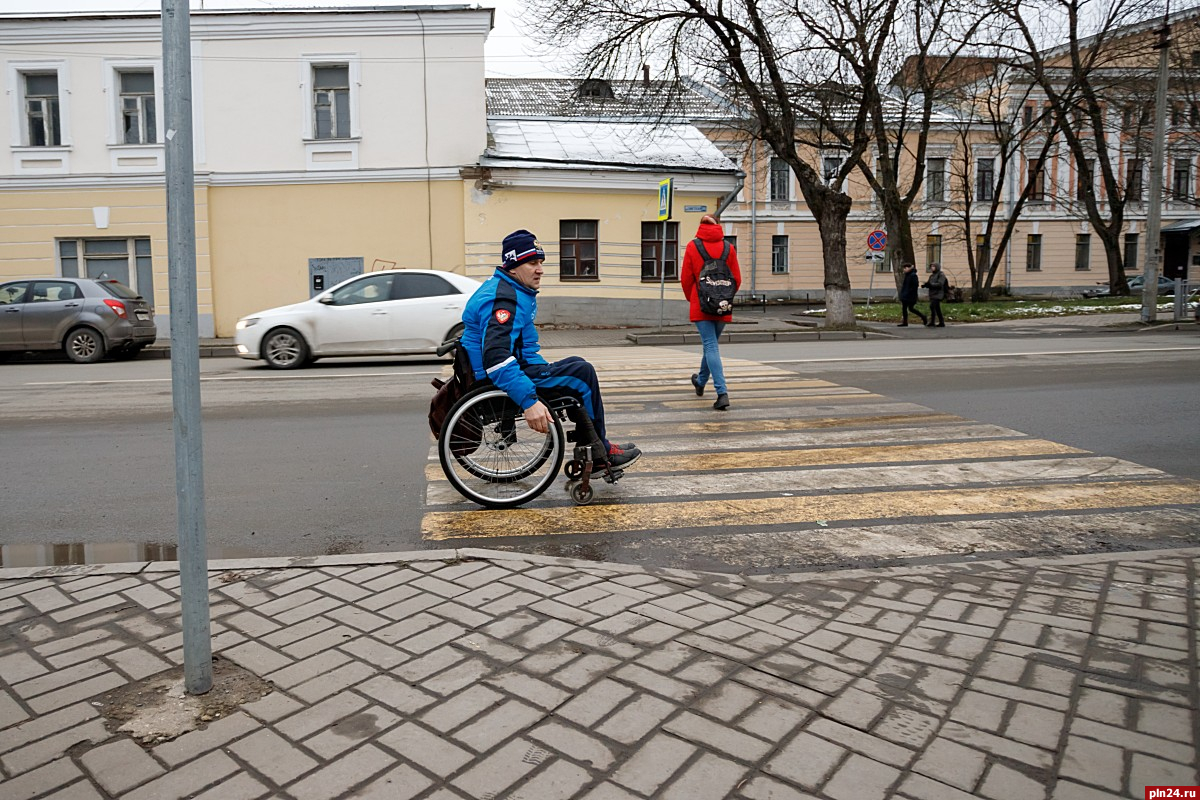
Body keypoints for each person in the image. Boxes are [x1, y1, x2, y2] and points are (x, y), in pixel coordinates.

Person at [459, 229, 641, 468]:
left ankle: (593, 443)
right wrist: (528, 400)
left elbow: (521, 347)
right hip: (496, 380)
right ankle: (600, 454)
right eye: (532, 262)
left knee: (576, 365)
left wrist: (546, 369)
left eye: (541, 262)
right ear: (513, 266)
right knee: (582, 375)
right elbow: (495, 358)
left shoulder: (511, 290)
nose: (540, 269)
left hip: (511, 369)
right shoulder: (505, 300)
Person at [680, 215, 741, 410]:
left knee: (711, 346)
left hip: (701, 304)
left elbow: (686, 278)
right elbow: (736, 279)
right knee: (710, 345)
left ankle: (722, 392)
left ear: (701, 226)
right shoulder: (728, 248)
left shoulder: (692, 246)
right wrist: (723, 297)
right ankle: (700, 381)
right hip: (723, 305)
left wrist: (694, 299)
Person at [898, 263, 927, 327]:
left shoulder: (913, 275)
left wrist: (909, 293)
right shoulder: (907, 275)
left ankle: (923, 316)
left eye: (905, 268)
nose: (904, 270)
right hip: (906, 294)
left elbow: (915, 286)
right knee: (904, 309)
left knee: (911, 308)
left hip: (911, 295)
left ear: (908, 268)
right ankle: (905, 322)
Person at [922, 262, 948, 327]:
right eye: (931, 266)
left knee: (932, 306)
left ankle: (933, 321)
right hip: (932, 293)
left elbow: (940, 284)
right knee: (937, 308)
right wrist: (926, 285)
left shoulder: (941, 274)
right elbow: (929, 283)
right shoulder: (932, 275)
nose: (932, 268)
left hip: (938, 293)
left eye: (933, 266)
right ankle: (941, 322)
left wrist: (931, 285)